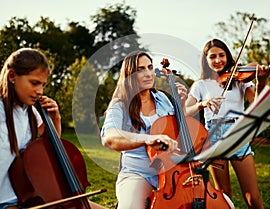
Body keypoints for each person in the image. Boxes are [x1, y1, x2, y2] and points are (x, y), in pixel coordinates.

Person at [0, 48, 106, 209]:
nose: (40, 91)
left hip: (29, 197)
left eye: (43, 85)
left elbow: (47, 151)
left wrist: (55, 118)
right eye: (34, 83)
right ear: (12, 76)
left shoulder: (31, 112)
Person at [185, 39, 269, 209]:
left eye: (221, 55)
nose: (217, 60)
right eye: (212, 56)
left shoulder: (241, 79)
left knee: (253, 197)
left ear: (228, 56)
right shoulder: (200, 85)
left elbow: (257, 104)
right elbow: (186, 111)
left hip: (238, 133)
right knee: (223, 197)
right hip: (214, 137)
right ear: (206, 60)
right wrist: (203, 103)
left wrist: (261, 82)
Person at [100, 51, 187, 209]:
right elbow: (109, 137)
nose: (148, 73)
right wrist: (147, 139)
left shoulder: (162, 99)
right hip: (138, 174)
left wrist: (182, 106)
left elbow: (177, 133)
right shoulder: (120, 105)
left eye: (150, 67)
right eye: (140, 69)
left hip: (172, 174)